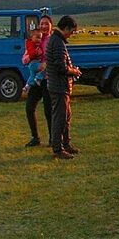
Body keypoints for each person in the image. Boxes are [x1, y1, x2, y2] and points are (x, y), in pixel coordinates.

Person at [46, 16, 82, 159]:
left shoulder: (55, 40)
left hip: (58, 86)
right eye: (71, 31)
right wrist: (74, 71)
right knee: (60, 118)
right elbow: (61, 67)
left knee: (65, 117)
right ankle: (58, 148)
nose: (71, 34)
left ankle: (66, 144)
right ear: (66, 28)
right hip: (59, 86)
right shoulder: (58, 43)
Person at [21, 15, 54, 147]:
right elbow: (24, 58)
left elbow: (56, 57)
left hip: (47, 79)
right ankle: (35, 137)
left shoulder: (53, 40)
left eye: (47, 24)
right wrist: (29, 58)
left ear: (51, 25)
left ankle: (53, 138)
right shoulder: (34, 39)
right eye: (42, 24)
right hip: (36, 80)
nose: (44, 26)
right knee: (29, 108)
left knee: (48, 110)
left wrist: (45, 65)